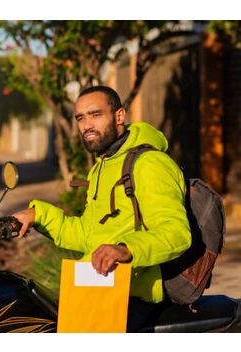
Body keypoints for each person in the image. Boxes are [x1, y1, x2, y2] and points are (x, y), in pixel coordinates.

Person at [12, 85, 192, 332]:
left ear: (119, 116)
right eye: (80, 118)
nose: (87, 125)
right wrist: (39, 215)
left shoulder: (150, 164)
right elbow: (89, 235)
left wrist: (125, 250)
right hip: (100, 288)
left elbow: (177, 233)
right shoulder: (103, 166)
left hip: (134, 296)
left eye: (96, 115)